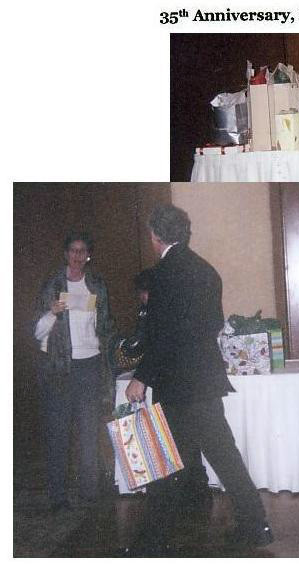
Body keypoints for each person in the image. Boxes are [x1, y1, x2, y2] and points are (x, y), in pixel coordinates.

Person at [123, 204, 272, 553]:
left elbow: (162, 335)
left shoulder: (162, 275)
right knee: (226, 458)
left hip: (177, 386)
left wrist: (140, 377)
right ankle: (257, 526)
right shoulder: (206, 270)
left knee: (165, 464)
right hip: (205, 381)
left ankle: (150, 545)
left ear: (155, 235)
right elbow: (212, 324)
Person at [33, 232, 114, 512]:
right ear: (66, 254)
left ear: (88, 255)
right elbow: (37, 332)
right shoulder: (53, 285)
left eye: (83, 251)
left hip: (89, 365)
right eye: (73, 250)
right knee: (58, 433)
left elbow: (105, 326)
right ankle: (58, 497)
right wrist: (52, 313)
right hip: (60, 368)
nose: (78, 256)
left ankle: (89, 493)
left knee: (89, 432)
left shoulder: (97, 285)